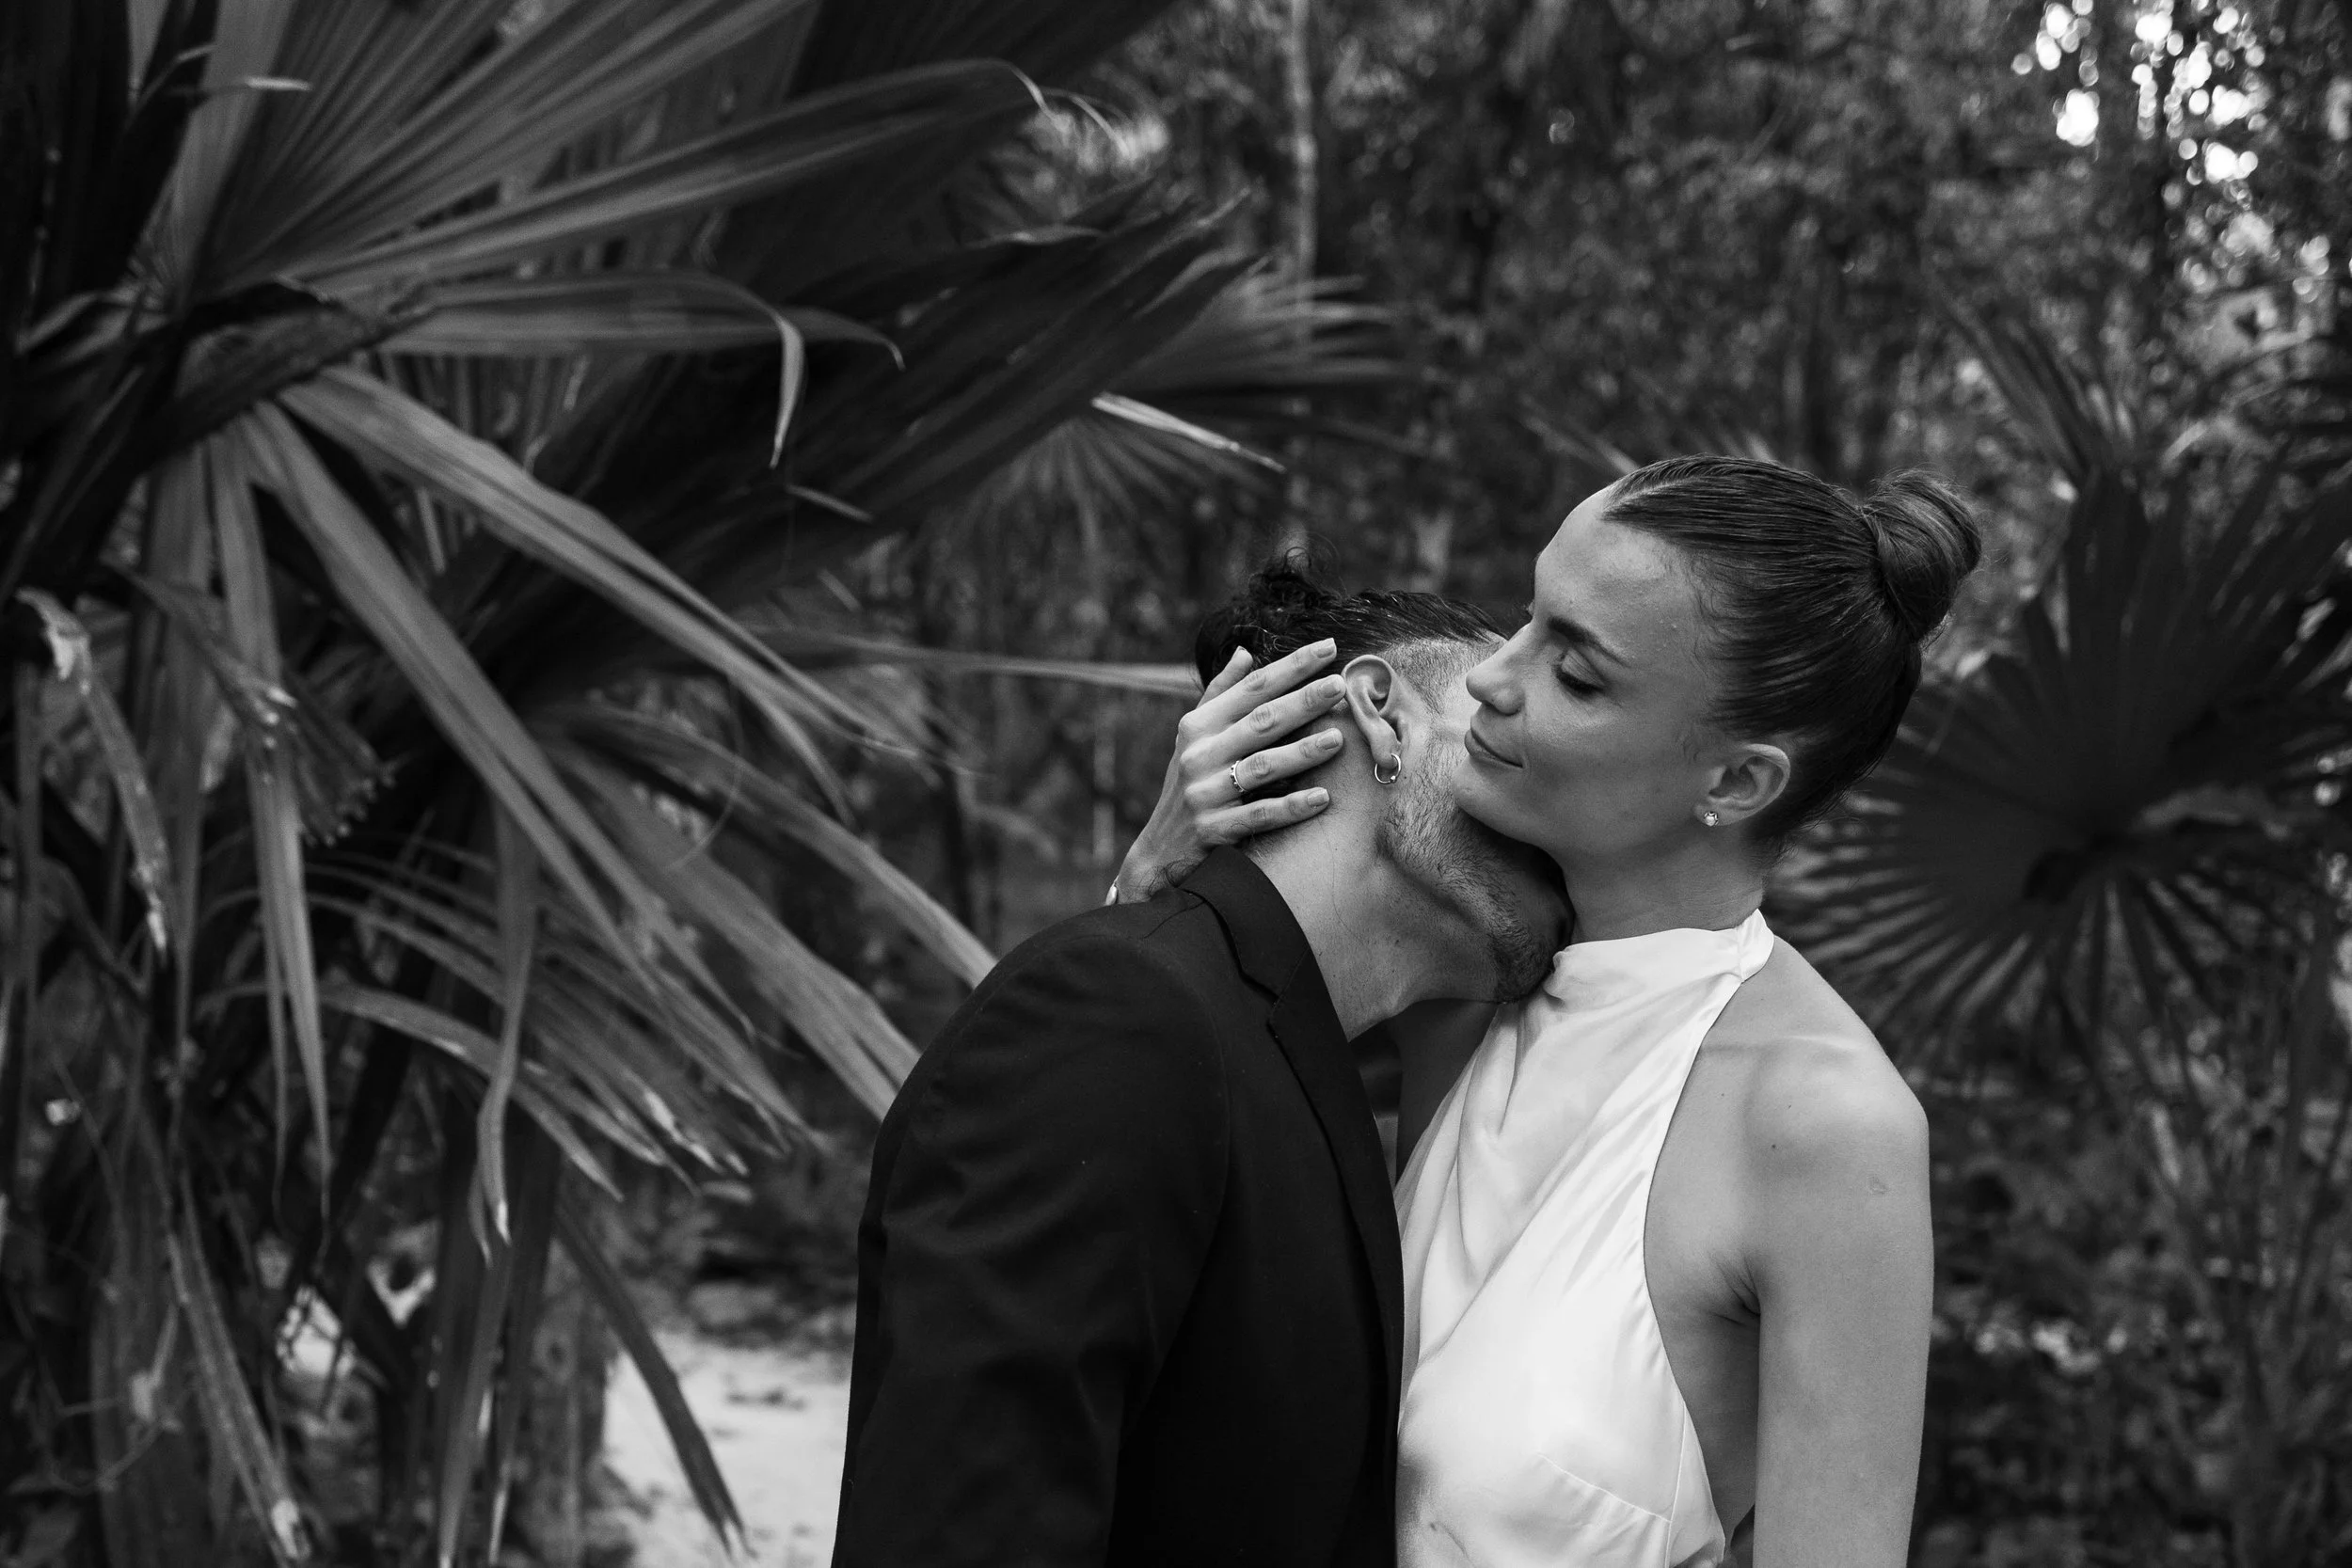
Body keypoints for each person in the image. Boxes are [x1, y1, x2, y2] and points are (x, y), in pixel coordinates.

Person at [1115, 455, 1982, 1568]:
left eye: (1574, 671)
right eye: (1528, 617)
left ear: (1736, 783)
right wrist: (1158, 874)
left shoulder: (1822, 1125)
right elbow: (1118, 1157)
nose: (1491, 677)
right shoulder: (1443, 962)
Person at [831, 587, 1567, 1568]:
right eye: (1496, 730)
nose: (1553, 812)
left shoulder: (1286, 1054)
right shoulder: (1118, 1010)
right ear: (1380, 711)